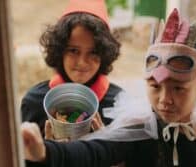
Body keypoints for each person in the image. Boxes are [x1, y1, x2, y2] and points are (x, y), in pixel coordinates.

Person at [21, 8, 196, 167]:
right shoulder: (138, 127)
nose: (165, 99)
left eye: (179, 88)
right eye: (155, 86)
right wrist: (45, 152)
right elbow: (94, 151)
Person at [21, 0, 123, 138]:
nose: (82, 62)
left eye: (93, 52)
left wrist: (106, 148)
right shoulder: (34, 102)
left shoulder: (119, 105)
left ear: (104, 53)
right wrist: (44, 154)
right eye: (73, 50)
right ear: (60, 50)